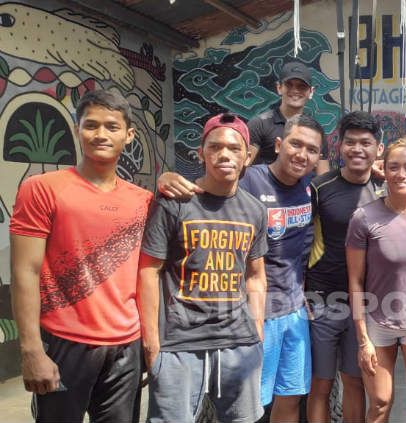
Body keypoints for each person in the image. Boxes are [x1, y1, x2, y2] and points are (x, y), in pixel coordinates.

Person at [9, 90, 152, 422]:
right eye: (91, 125)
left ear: (128, 135)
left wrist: (147, 345)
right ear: (77, 129)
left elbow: (146, 275)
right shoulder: (41, 188)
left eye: (112, 127)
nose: (101, 134)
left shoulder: (144, 200)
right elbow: (23, 273)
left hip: (125, 346)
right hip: (63, 344)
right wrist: (31, 350)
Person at [138, 113, 268, 422]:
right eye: (215, 147)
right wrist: (152, 345)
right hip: (179, 345)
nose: (225, 154)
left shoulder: (255, 210)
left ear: (247, 156)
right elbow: (148, 271)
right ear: (201, 153)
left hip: (239, 343)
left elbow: (256, 276)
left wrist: (257, 334)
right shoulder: (175, 202)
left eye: (235, 148)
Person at [346, 136, 406, 423]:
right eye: (394, 167)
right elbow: (355, 281)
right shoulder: (364, 217)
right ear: (382, 170)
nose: (401, 174)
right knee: (380, 403)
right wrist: (363, 340)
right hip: (377, 325)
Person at [242, 114, 323, 422]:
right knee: (252, 405)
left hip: (294, 312)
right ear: (278, 144)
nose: (302, 154)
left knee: (290, 397)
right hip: (258, 312)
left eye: (312, 149)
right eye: (296, 144)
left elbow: (302, 248)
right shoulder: (248, 179)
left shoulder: (309, 188)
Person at [306, 111, 385, 423]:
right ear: (339, 147)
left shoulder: (386, 188)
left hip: (368, 305)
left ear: (379, 149)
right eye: (350, 142)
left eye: (365, 143)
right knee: (320, 385)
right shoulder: (319, 188)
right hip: (322, 301)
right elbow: (301, 242)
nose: (357, 149)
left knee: (355, 381)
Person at [248, 60, 329, 174]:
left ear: (311, 92)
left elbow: (322, 177)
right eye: (289, 85)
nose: (295, 90)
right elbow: (241, 168)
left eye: (301, 86)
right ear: (279, 87)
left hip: (300, 191)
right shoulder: (259, 125)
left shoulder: (315, 132)